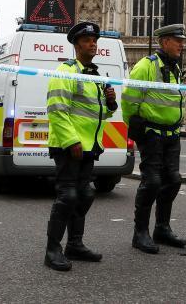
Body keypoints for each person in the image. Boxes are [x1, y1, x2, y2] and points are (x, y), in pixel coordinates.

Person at [43, 21, 118, 272]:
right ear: (76, 45)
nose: (93, 44)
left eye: (95, 40)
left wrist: (110, 104)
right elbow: (56, 110)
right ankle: (53, 249)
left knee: (85, 194)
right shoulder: (65, 71)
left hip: (89, 146)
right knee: (68, 196)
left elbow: (99, 115)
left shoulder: (95, 75)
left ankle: (75, 244)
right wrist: (70, 140)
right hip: (69, 145)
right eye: (87, 40)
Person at [122, 23, 186, 254]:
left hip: (172, 134)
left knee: (174, 180)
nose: (182, 44)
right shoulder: (145, 66)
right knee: (152, 182)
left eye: (182, 40)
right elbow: (129, 99)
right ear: (164, 42)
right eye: (177, 40)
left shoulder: (175, 67)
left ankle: (162, 228)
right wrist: (137, 127)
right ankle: (140, 233)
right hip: (152, 134)